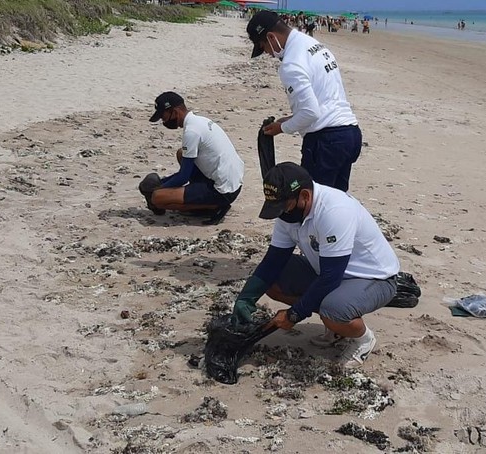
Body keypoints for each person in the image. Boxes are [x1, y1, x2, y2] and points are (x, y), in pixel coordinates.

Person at [231, 162, 400, 368]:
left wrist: (294, 314)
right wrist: (245, 298)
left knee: (333, 308)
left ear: (305, 196)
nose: (282, 213)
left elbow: (331, 277)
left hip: (374, 278)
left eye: (285, 206)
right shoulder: (288, 214)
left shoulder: (334, 211)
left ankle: (363, 339)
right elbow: (273, 261)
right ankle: (335, 326)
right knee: (274, 280)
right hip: (329, 271)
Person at [247, 11, 363, 192]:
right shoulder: (312, 44)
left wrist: (282, 128)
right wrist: (292, 118)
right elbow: (321, 100)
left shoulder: (291, 64)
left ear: (271, 37)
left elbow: (311, 113)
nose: (269, 54)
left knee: (313, 202)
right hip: (349, 133)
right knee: (336, 200)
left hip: (326, 141)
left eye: (264, 47)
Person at [139, 92, 244, 225]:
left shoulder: (191, 132)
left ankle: (213, 206)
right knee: (181, 154)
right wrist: (163, 182)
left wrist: (158, 188)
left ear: (175, 112)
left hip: (223, 191)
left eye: (163, 117)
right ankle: (201, 199)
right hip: (232, 181)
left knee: (157, 198)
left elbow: (183, 177)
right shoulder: (200, 121)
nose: (163, 121)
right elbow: (184, 172)